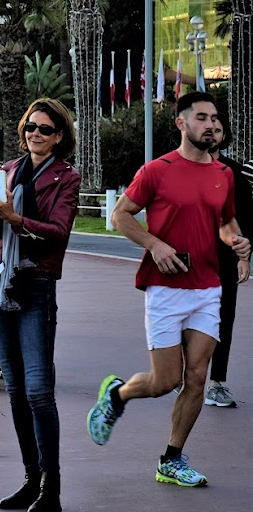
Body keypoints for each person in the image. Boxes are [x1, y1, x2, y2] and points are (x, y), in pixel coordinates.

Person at [91, 92, 249, 489]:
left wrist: (239, 244)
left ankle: (171, 459)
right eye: (201, 117)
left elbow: (226, 223)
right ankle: (117, 395)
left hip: (208, 287)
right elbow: (120, 215)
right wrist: (154, 245)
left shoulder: (224, 175)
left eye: (215, 118)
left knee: (196, 378)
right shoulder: (156, 171)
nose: (211, 124)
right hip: (165, 287)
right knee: (165, 381)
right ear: (181, 123)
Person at [0, 99, 80, 512]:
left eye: (46, 129)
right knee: (14, 388)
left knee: (38, 390)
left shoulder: (66, 177)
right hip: (0, 282)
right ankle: (31, 478)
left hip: (35, 284)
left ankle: (51, 489)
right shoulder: (10, 170)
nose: (36, 134)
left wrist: (13, 217)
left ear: (59, 136)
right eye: (31, 127)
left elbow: (57, 233)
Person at [205, 113, 251, 407]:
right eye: (206, 129)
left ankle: (216, 383)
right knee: (188, 319)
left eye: (217, 130)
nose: (211, 134)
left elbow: (246, 220)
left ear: (225, 136)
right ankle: (185, 373)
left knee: (224, 320)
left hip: (224, 260)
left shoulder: (235, 173)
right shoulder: (179, 169)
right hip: (188, 260)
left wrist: (245, 258)